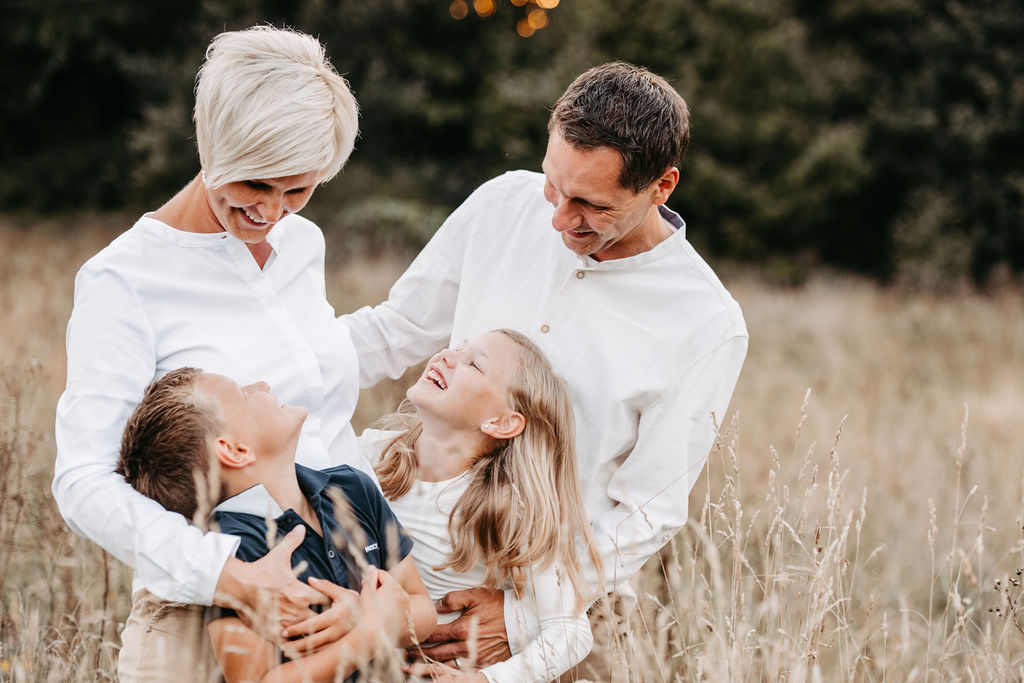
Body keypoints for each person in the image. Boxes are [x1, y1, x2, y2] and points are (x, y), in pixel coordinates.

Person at [341, 62, 749, 675]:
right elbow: (394, 330)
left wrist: (519, 612)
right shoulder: (502, 201)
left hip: (566, 615)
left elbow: (649, 508)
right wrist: (276, 360)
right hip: (407, 577)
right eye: (554, 188)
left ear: (661, 187)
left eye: (589, 204)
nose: (559, 219)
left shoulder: (705, 323)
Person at [52, 26, 366, 680]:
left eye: (299, 189)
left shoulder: (302, 246)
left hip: (337, 602)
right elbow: (82, 481)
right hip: (203, 620)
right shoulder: (126, 280)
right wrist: (230, 575)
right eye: (255, 181)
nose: (272, 211)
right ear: (213, 143)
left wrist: (381, 583)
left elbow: (327, 423)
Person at [116, 367, 436, 682]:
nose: (262, 385)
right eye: (243, 394)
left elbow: (423, 607)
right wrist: (369, 634)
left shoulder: (352, 487)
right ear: (235, 450)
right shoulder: (233, 549)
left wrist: (382, 620)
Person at [362, 330, 602, 682]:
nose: (446, 355)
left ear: (501, 422)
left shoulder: (506, 508)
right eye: (456, 347)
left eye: (473, 364)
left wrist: (486, 680)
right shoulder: (371, 454)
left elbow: (570, 632)